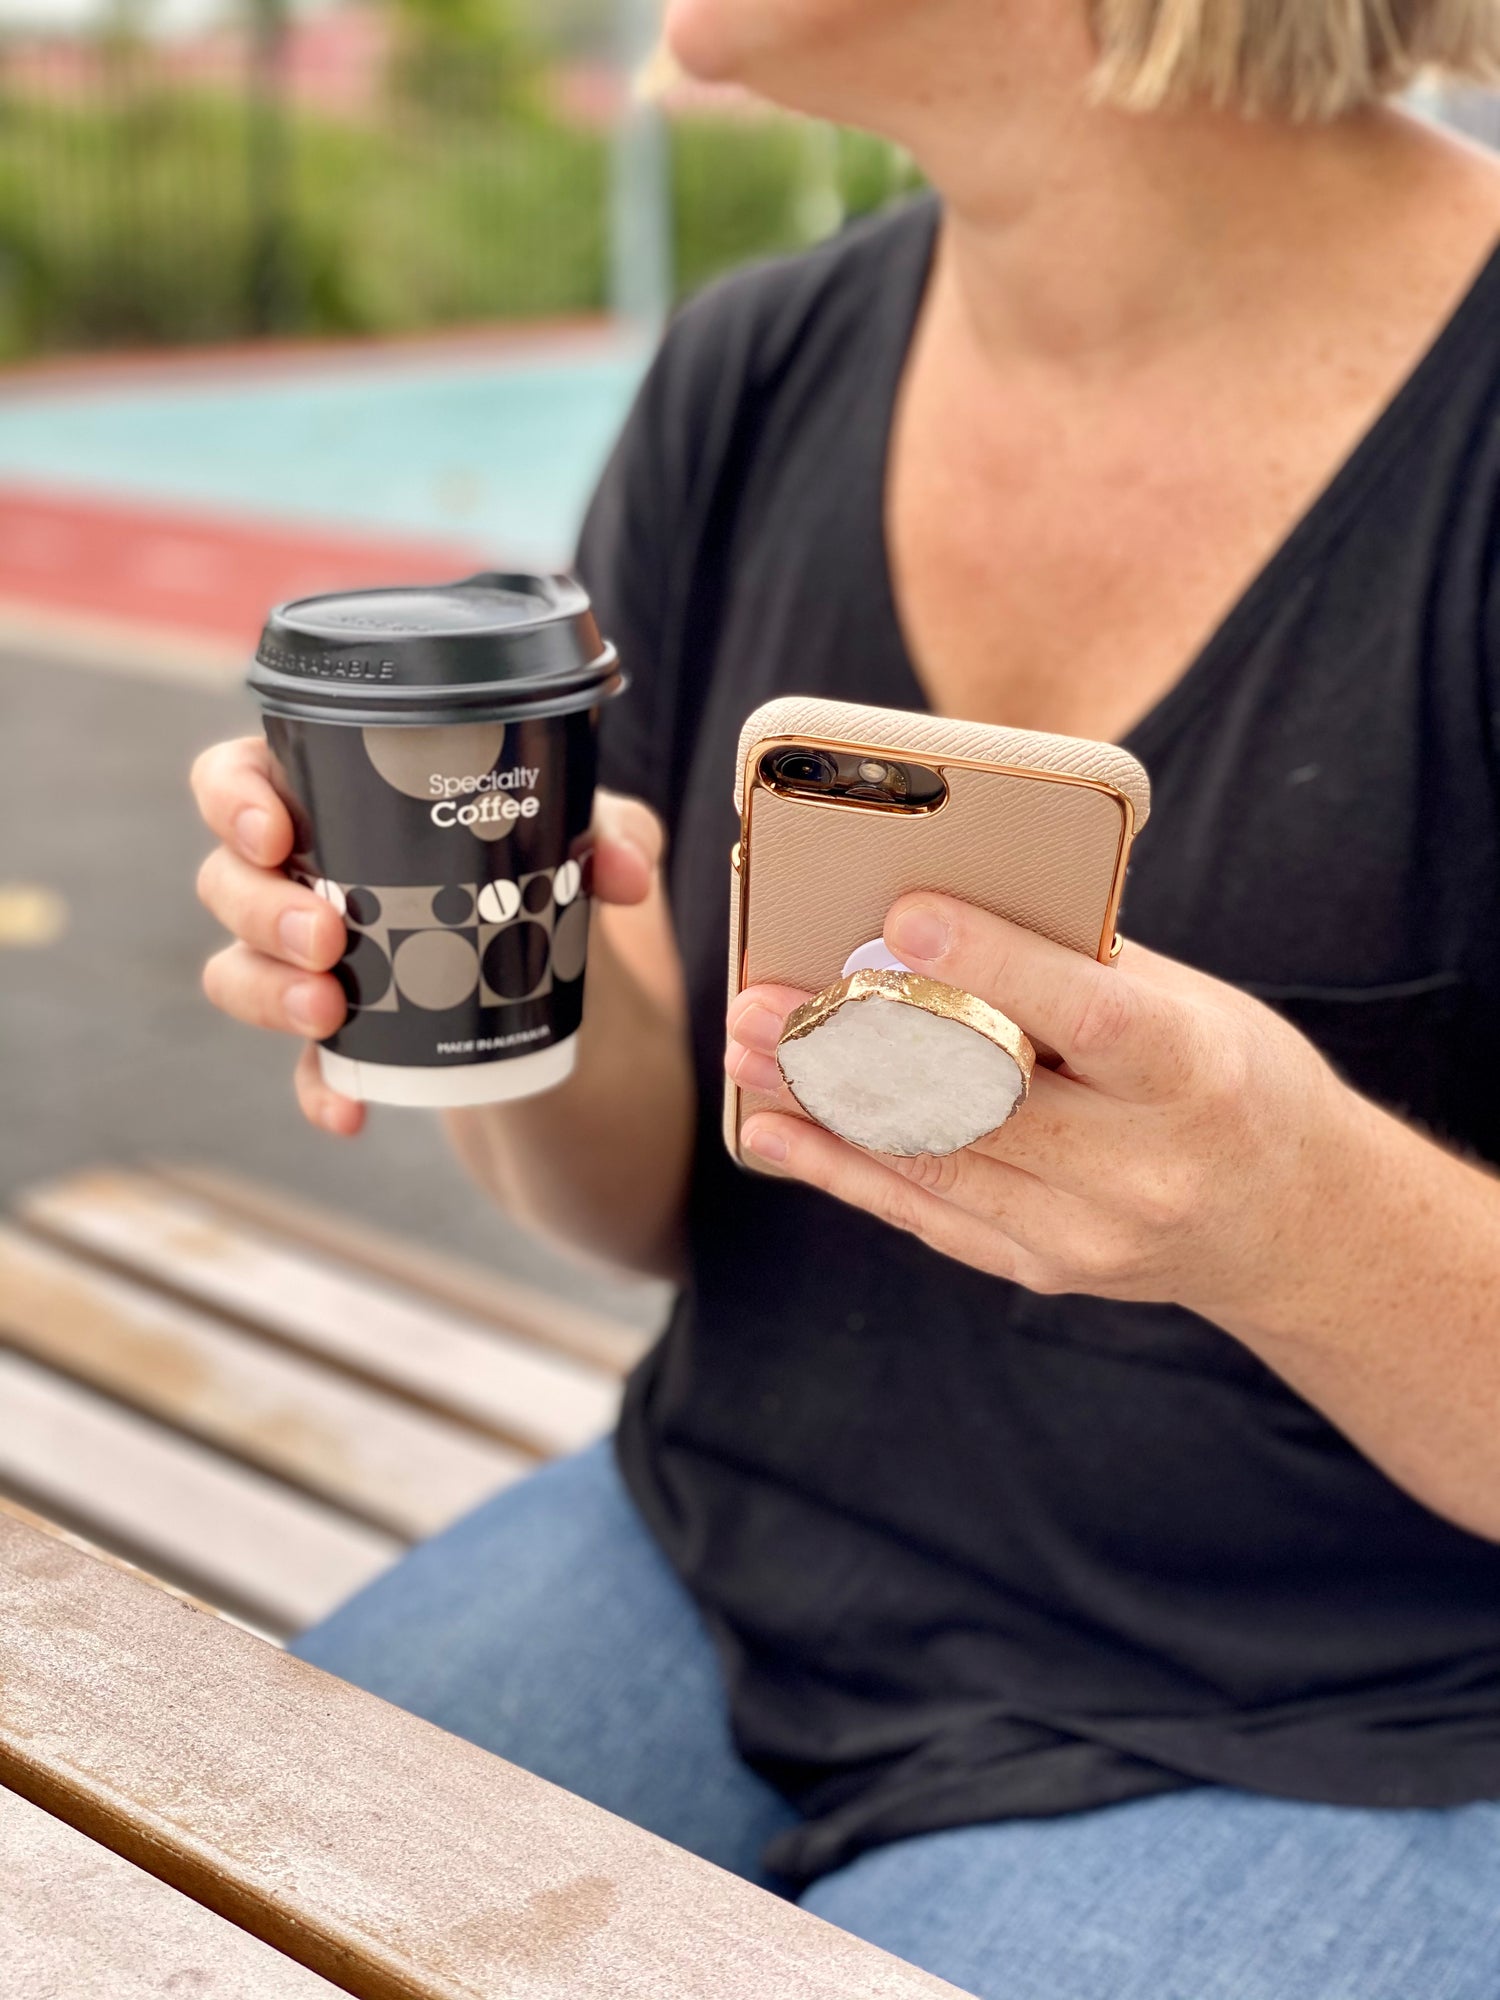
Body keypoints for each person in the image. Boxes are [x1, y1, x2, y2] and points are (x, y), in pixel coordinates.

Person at [190, 3, 1500, 1993]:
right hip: (720, 1556)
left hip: (1360, 1731)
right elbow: (644, 1195)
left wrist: (1286, 1204)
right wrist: (480, 986)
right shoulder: (755, 368)